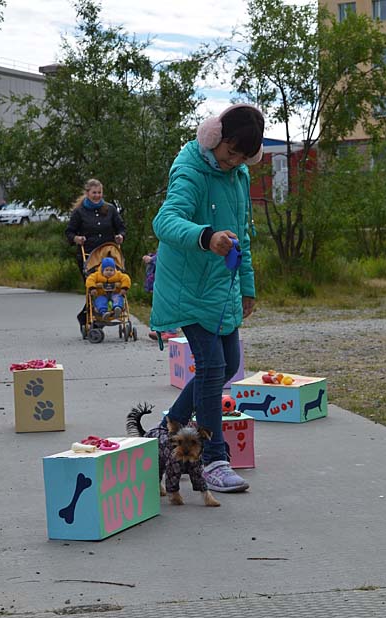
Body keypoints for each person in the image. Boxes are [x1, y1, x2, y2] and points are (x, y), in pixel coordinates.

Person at [150, 104, 264, 493]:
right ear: (213, 137)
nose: (233, 162)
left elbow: (243, 237)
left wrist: (246, 285)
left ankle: (168, 427)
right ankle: (215, 457)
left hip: (222, 288)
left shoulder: (239, 176)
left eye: (243, 157)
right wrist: (206, 236)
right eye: (230, 152)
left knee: (228, 362)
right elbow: (164, 222)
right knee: (213, 367)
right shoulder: (190, 170)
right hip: (187, 287)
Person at [65, 178, 126, 326]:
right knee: (93, 287)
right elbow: (69, 232)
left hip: (109, 256)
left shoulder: (110, 209)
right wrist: (76, 239)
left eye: (99, 192)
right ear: (87, 193)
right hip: (88, 256)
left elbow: (121, 227)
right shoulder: (79, 212)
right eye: (94, 193)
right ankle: (92, 317)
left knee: (113, 286)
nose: (97, 195)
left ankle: (104, 313)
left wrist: (120, 236)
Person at [142, 252, 178, 342]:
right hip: (161, 280)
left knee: (168, 306)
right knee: (160, 306)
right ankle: (162, 330)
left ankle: (171, 331)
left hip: (169, 281)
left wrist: (152, 259)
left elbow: (166, 256)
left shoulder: (171, 244)